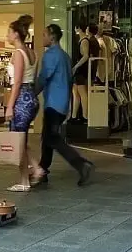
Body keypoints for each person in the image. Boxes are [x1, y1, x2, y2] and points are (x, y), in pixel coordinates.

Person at [35, 24, 94, 186]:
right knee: (47, 137)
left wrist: (30, 94)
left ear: (52, 37)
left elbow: (43, 78)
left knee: (52, 138)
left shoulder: (51, 56)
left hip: (53, 104)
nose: (42, 38)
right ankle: (43, 171)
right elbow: (69, 81)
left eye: (44, 34)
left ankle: (81, 164)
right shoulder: (66, 57)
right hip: (62, 104)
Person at [5, 15, 42, 192]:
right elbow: (33, 80)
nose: (7, 36)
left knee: (18, 141)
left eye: (9, 32)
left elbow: (17, 82)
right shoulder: (32, 53)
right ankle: (36, 168)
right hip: (31, 99)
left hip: (21, 99)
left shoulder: (18, 54)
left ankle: (24, 181)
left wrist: (10, 106)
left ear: (16, 34)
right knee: (22, 139)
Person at [71, 23, 101, 122]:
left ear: (78, 28)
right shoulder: (83, 40)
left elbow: (85, 56)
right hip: (79, 70)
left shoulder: (84, 41)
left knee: (82, 92)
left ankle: (85, 116)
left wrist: (76, 66)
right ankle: (74, 116)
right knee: (76, 92)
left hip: (81, 70)